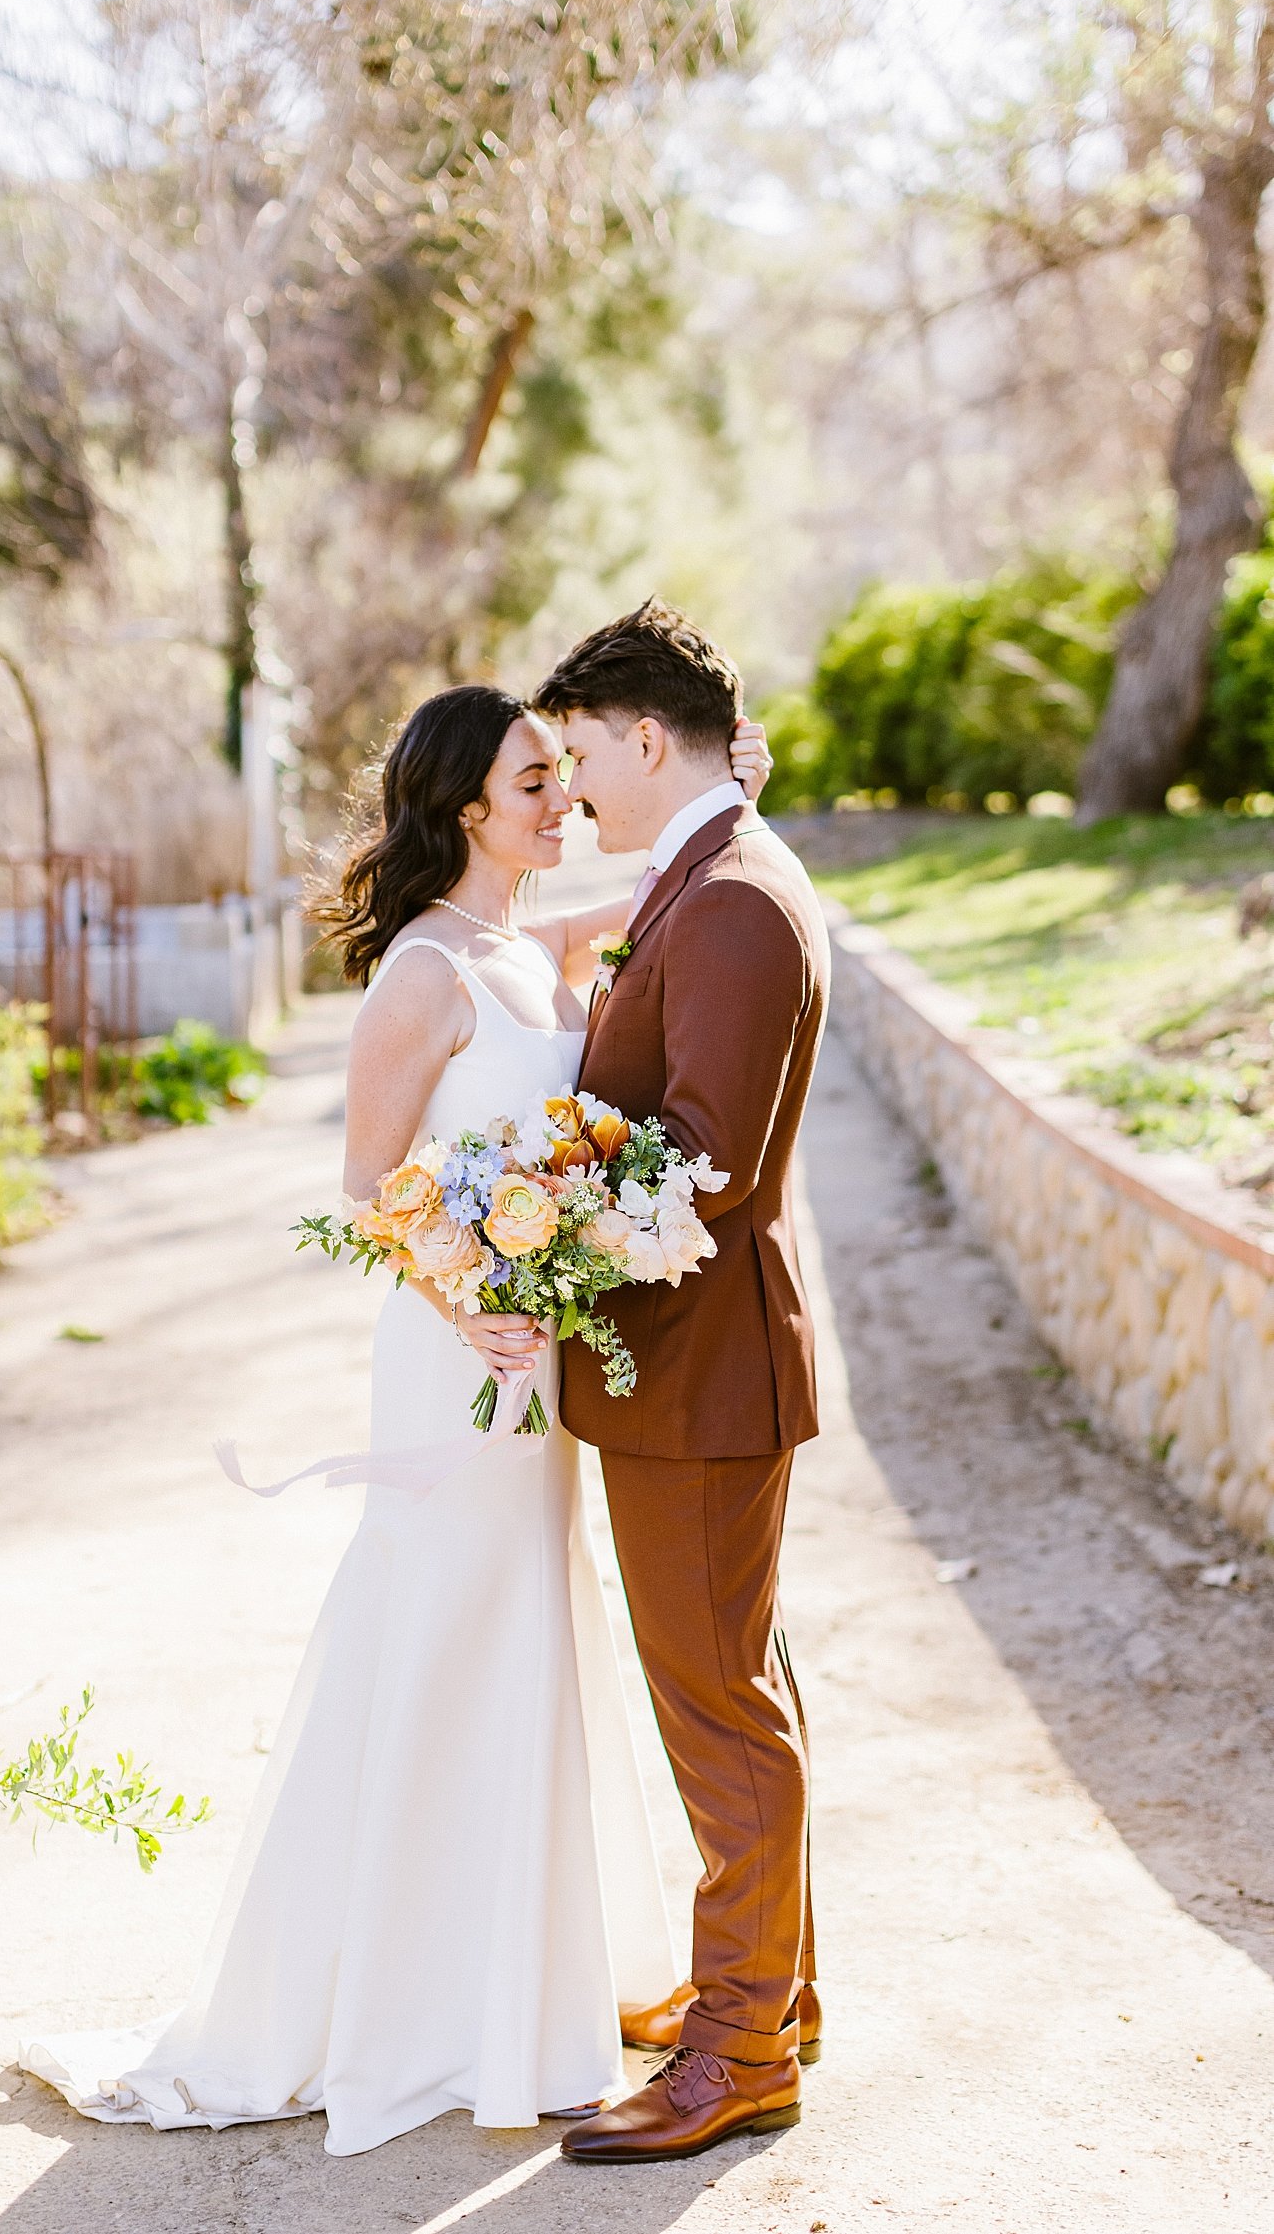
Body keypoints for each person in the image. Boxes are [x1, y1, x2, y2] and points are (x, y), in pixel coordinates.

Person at [17, 680, 772, 2156]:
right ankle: (399, 2002)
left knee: (529, 1632)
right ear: (465, 808)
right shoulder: (425, 972)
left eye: (568, 775)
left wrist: (735, 785)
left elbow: (679, 880)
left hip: (537, 1363)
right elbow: (369, 1191)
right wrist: (470, 1301)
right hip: (459, 1358)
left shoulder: (529, 949)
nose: (566, 801)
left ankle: (518, 1986)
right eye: (536, 782)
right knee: (438, 1628)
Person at [530, 598, 831, 2164]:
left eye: (583, 758)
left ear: (649, 737)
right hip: (690, 1373)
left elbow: (698, 1161)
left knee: (719, 1706)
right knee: (738, 1683)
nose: (576, 792)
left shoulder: (732, 905)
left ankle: (742, 2052)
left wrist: (529, 1201)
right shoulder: (709, 880)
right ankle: (765, 1987)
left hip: (700, 1375)